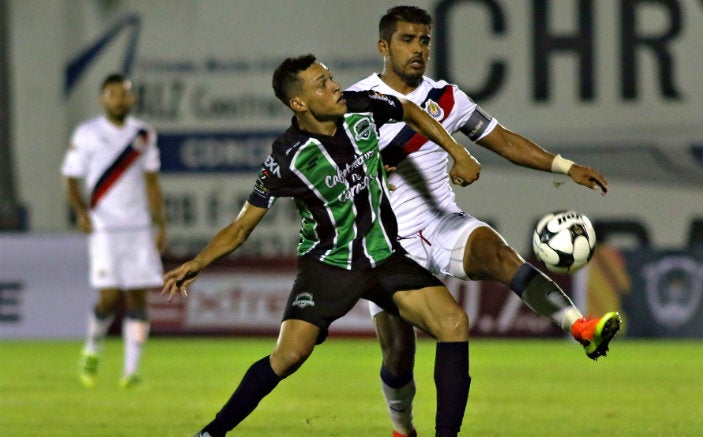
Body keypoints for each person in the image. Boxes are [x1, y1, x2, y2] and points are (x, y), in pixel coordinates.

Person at [162, 54, 482, 437]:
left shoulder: (361, 106)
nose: (334, 87)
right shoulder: (287, 157)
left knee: (453, 323)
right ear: (299, 104)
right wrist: (198, 262)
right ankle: (211, 433)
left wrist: (457, 152)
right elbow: (241, 226)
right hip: (329, 266)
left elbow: (410, 110)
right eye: (321, 84)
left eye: (330, 77)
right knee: (289, 356)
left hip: (384, 257)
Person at [347, 6, 622, 437]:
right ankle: (403, 428)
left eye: (424, 40)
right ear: (384, 47)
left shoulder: (447, 99)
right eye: (407, 40)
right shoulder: (355, 104)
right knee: (398, 355)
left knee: (498, 253)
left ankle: (580, 327)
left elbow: (504, 139)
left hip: (442, 224)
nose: (418, 49)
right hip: (388, 245)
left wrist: (565, 167)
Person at [61, 73, 166, 389]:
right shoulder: (88, 133)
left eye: (125, 94)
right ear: (102, 98)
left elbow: (151, 181)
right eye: (113, 94)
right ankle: (92, 346)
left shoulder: (144, 134)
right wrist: (81, 211)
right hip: (105, 227)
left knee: (138, 297)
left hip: (138, 227)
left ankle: (131, 369)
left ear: (132, 99)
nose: (119, 99)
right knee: (108, 298)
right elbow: (70, 177)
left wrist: (160, 222)